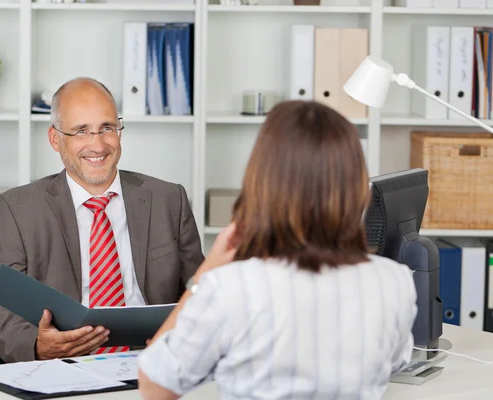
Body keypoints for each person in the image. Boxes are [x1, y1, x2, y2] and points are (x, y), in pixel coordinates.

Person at [137, 100, 418, 399]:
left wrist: (203, 276)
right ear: (358, 187)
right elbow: (394, 362)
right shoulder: (394, 281)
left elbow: (155, 385)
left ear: (263, 184)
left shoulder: (230, 288)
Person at [0, 77, 205, 363]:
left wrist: (179, 332)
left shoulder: (169, 199)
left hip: (153, 363)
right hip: (63, 366)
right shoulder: (18, 208)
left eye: (107, 128)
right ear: (55, 139)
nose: (97, 145)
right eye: (81, 131)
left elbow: (201, 295)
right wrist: (36, 345)